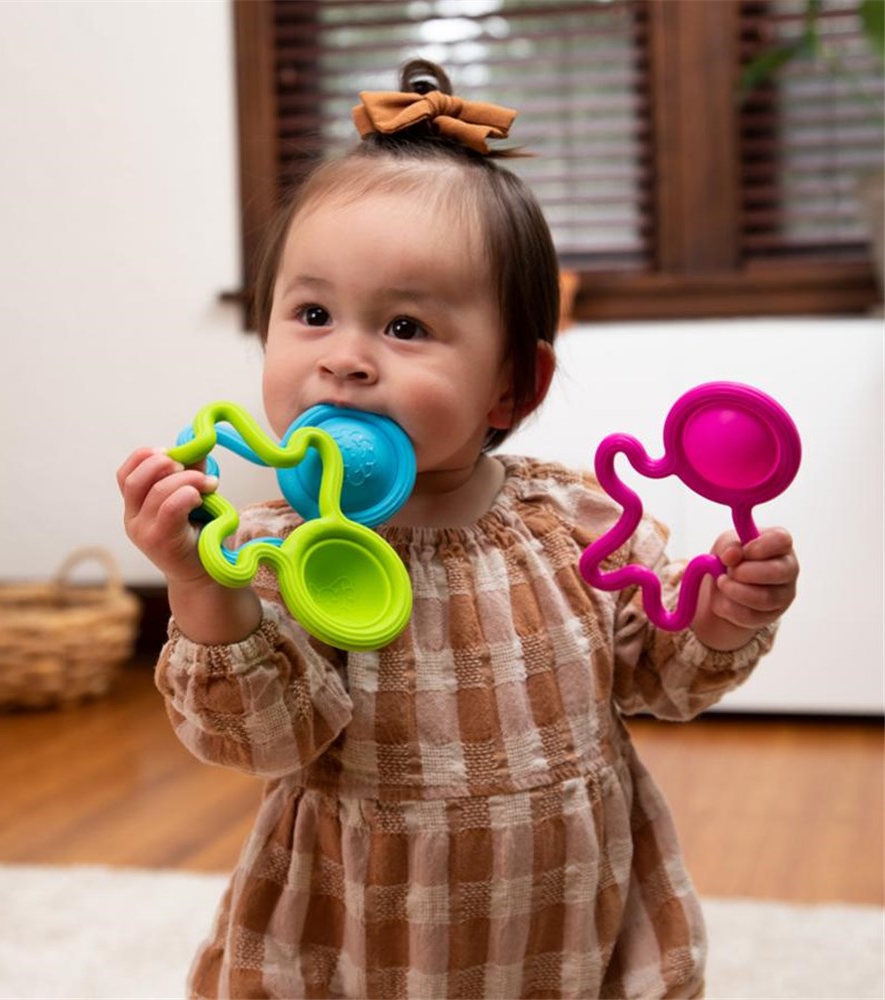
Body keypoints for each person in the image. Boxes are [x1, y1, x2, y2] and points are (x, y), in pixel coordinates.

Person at [117, 60, 799, 1000]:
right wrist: (203, 590)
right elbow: (262, 739)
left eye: (404, 326)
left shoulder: (572, 523)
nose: (346, 361)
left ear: (515, 386)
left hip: (566, 917)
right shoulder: (279, 555)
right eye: (311, 314)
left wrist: (717, 617)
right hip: (360, 929)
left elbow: (657, 674)